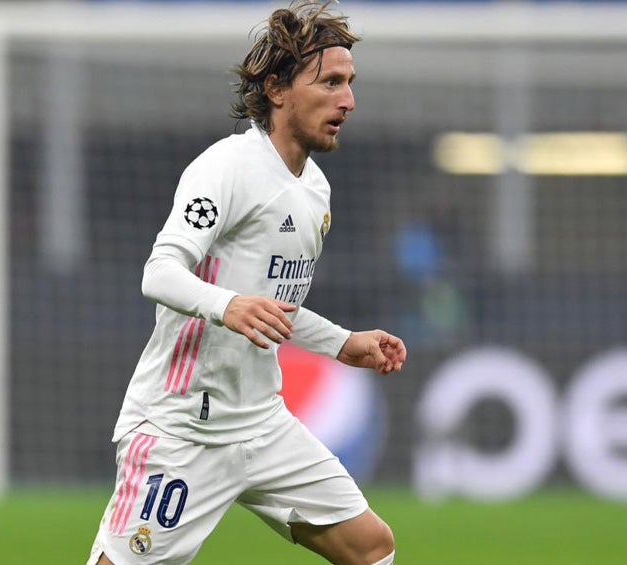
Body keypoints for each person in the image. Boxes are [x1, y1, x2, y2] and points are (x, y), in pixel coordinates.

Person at [86, 2, 407, 564]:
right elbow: (160, 272)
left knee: (372, 548)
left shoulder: (316, 190)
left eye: (350, 83)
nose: (348, 101)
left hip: (261, 423)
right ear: (277, 88)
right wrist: (226, 304)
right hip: (181, 429)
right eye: (330, 82)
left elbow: (272, 308)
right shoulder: (227, 167)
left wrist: (342, 342)